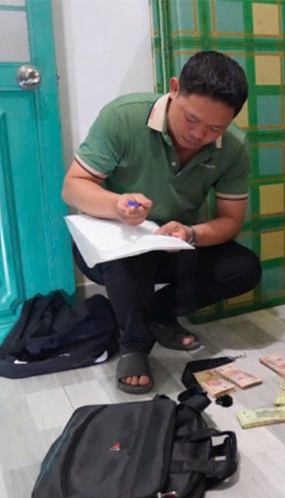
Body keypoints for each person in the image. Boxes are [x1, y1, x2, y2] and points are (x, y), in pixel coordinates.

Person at [62, 50, 262, 394]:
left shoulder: (234, 146)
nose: (198, 134)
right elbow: (73, 186)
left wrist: (191, 233)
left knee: (244, 267)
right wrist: (116, 205)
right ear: (174, 88)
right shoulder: (123, 117)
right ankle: (134, 345)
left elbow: (231, 221)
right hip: (112, 248)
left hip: (172, 246)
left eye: (215, 128)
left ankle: (157, 314)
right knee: (130, 257)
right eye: (190, 119)